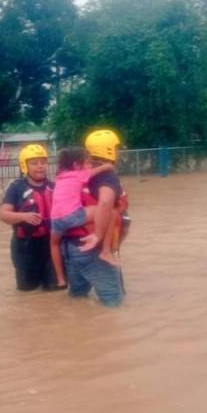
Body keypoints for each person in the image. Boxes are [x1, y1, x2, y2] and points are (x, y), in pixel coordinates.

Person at [60, 129, 130, 307]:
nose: (119, 152)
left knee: (77, 298)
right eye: (117, 148)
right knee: (114, 303)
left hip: (71, 247)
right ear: (109, 150)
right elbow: (107, 204)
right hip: (93, 247)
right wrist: (102, 240)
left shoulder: (80, 174)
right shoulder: (108, 177)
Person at [50, 147, 118, 289]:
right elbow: (96, 172)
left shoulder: (60, 176)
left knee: (53, 244)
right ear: (76, 165)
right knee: (110, 212)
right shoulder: (79, 175)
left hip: (56, 220)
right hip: (72, 216)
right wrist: (107, 165)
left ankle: (61, 279)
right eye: (87, 162)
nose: (90, 166)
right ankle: (105, 252)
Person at [0, 144, 59, 291]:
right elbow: (3, 214)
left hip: (51, 244)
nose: (40, 167)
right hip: (25, 246)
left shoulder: (54, 186)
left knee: (54, 289)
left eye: (43, 162)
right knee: (27, 290)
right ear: (24, 166)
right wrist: (23, 216)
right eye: (34, 163)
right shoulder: (16, 188)